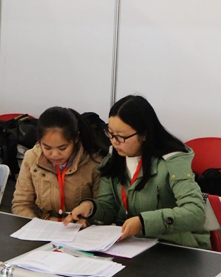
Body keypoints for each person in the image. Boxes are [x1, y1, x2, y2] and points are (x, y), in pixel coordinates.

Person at [64, 95, 209, 249]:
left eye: (121, 136)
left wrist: (143, 222)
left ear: (144, 134)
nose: (114, 141)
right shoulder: (113, 160)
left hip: (175, 245)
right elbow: (110, 207)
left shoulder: (172, 162)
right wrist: (91, 208)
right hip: (133, 245)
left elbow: (195, 213)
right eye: (110, 133)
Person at [12, 107, 108, 221]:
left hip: (77, 227)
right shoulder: (31, 158)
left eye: (62, 148)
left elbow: (103, 209)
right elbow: (21, 204)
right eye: (47, 147)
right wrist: (35, 223)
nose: (54, 154)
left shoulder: (94, 163)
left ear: (75, 139)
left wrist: (86, 220)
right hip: (42, 224)